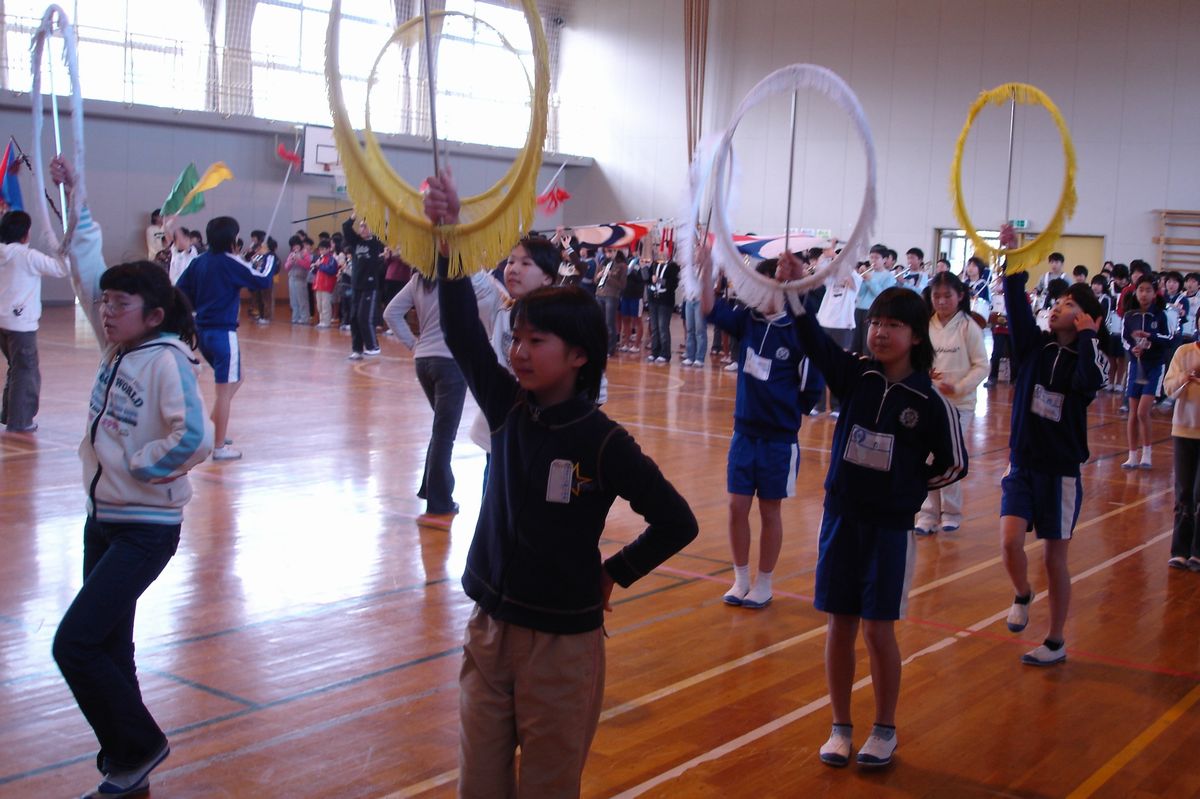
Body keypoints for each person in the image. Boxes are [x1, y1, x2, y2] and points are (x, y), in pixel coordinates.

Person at [424, 171, 698, 797]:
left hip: (563, 645)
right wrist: (446, 239)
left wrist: (612, 573)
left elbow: (677, 521)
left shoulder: (603, 441)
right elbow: (464, 329)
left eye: (536, 341)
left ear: (578, 355)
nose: (518, 352)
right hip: (488, 629)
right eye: (516, 339)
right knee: (480, 786)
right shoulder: (506, 407)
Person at [789, 267, 967, 769]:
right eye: (876, 322)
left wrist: (905, 492)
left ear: (915, 335)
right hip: (841, 519)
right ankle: (840, 726)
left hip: (889, 530)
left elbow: (954, 463)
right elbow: (813, 342)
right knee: (839, 625)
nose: (881, 332)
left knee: (877, 630)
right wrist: (796, 292)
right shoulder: (857, 376)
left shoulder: (929, 402)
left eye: (894, 325)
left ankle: (884, 728)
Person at [55, 261, 213, 799]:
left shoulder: (167, 361)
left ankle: (139, 746)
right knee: (110, 648)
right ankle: (129, 773)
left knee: (73, 645)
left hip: (145, 528)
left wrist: (140, 468)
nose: (106, 313)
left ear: (154, 315)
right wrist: (71, 189)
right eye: (106, 302)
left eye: (120, 305)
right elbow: (82, 263)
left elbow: (194, 437)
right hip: (102, 521)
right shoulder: (120, 350)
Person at [997, 225, 1107, 668]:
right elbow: (1014, 299)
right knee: (1008, 542)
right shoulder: (1033, 348)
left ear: (1085, 318)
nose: (1058, 307)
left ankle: (1056, 640)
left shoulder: (1087, 357)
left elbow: (1089, 383)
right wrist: (1013, 254)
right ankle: (1022, 593)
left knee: (1055, 559)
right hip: (1022, 463)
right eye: (1059, 302)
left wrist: (1088, 335)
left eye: (1070, 305)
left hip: (1060, 471)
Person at [699, 252, 821, 609]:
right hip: (743, 433)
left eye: (763, 287)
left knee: (770, 510)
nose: (754, 294)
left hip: (779, 439)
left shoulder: (799, 331)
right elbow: (709, 308)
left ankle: (764, 583)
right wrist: (707, 269)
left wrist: (782, 412)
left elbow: (811, 391)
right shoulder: (747, 321)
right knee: (737, 506)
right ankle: (740, 579)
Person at [384, 269, 499, 527]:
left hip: (423, 362)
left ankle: (431, 488)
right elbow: (489, 312)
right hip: (450, 364)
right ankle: (439, 502)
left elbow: (390, 312)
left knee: (441, 431)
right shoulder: (465, 279)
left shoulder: (419, 279)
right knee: (444, 434)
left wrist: (414, 345)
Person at [176, 216, 279, 461]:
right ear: (232, 239)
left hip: (201, 332)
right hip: (223, 333)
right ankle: (218, 445)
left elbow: (180, 290)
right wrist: (270, 256)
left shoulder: (199, 262)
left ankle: (213, 429)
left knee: (238, 377)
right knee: (223, 391)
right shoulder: (231, 263)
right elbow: (262, 279)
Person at [915, 272, 988, 535]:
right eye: (937, 296)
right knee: (925, 456)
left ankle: (951, 512)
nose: (942, 301)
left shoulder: (969, 327)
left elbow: (982, 366)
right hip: (929, 402)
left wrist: (958, 387)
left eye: (948, 295)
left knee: (947, 456)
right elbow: (918, 361)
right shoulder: (924, 326)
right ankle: (926, 514)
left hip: (960, 404)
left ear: (960, 297)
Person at [0, 210, 70, 432]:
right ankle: (20, 421)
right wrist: (60, 248)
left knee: (16, 367)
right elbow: (62, 268)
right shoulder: (27, 256)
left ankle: (9, 414)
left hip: (2, 322)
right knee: (25, 370)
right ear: (24, 234)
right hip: (20, 324)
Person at [1121, 275, 1170, 468]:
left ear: (1154, 292)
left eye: (1148, 290)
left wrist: (1151, 338)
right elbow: (1125, 339)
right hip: (1135, 366)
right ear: (1136, 291)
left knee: (1143, 412)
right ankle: (1132, 455)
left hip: (1154, 367)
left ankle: (1147, 454)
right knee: (1133, 413)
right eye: (1141, 289)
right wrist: (1132, 348)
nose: (1144, 294)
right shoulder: (1129, 316)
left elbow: (1169, 338)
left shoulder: (1160, 315)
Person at [1164, 335, 1200, 571]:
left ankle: (1198, 551)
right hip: (1184, 431)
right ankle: (1180, 550)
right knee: (1184, 492)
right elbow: (1168, 389)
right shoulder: (1184, 352)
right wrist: (1186, 377)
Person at [342, 215, 385, 359]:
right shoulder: (356, 242)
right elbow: (346, 228)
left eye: (366, 226)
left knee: (364, 316)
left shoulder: (376, 243)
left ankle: (373, 346)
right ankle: (357, 349)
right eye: (361, 226)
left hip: (370, 286)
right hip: (356, 286)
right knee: (354, 317)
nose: (363, 228)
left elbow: (383, 228)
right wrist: (352, 217)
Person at [852, 244, 897, 354]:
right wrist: (860, 278)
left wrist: (870, 280)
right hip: (859, 309)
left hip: (874, 312)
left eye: (877, 258)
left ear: (885, 259)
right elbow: (859, 293)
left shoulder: (889, 276)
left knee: (868, 343)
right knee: (855, 342)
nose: (873, 260)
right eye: (871, 257)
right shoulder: (868, 273)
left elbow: (882, 295)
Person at [646, 247, 679, 363]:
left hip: (665, 301)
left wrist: (658, 280)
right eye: (661, 251)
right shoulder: (655, 265)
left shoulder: (673, 267)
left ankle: (665, 353)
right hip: (653, 300)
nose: (662, 253)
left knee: (662, 327)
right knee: (654, 327)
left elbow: (672, 284)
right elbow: (647, 279)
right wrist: (643, 268)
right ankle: (655, 352)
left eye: (664, 251)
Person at [595, 249, 627, 357]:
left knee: (609, 323)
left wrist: (610, 277)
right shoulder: (602, 262)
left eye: (611, 251)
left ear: (616, 251)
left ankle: (610, 348)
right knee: (599, 323)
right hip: (599, 294)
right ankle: (600, 346)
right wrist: (599, 275)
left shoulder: (621, 266)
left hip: (611, 296)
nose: (609, 254)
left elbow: (622, 285)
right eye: (607, 252)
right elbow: (595, 280)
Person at [618, 252, 645, 352]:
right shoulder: (627, 261)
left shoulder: (642, 262)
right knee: (625, 319)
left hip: (636, 295)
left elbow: (643, 278)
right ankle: (626, 343)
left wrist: (633, 272)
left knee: (637, 319)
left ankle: (636, 345)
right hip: (625, 294)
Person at [284, 235, 312, 325]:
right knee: (293, 300)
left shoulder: (305, 254)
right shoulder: (291, 254)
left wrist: (299, 260)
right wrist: (291, 261)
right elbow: (286, 267)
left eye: (296, 245)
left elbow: (308, 266)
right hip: (292, 278)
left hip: (301, 279)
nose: (295, 247)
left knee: (302, 299)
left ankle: (304, 318)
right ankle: (295, 317)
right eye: (293, 246)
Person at [312, 240, 339, 328]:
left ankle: (326, 322)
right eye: (320, 250)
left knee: (325, 304)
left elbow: (332, 271)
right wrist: (315, 267)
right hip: (318, 285)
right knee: (319, 305)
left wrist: (320, 266)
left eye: (323, 249)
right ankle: (321, 321)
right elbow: (317, 271)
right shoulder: (320, 258)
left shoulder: (331, 259)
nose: (321, 251)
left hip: (326, 285)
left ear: (328, 249)